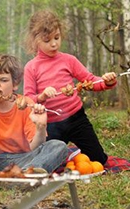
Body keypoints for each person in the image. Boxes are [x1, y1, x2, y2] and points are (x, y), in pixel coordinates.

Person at [23, 10, 117, 165]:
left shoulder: (69, 60)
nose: (54, 43)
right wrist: (43, 96)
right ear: (35, 41)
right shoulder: (31, 67)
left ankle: (73, 154)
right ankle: (65, 155)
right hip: (51, 125)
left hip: (76, 119)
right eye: (47, 40)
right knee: (46, 164)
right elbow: (28, 99)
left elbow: (91, 81)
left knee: (99, 160)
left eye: (57, 38)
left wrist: (107, 82)